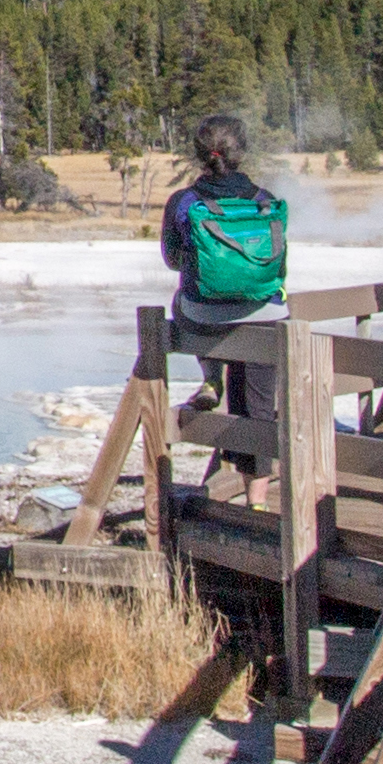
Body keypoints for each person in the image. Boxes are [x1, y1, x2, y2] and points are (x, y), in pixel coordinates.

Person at [157, 112, 292, 494]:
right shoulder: (265, 202)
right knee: (259, 408)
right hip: (265, 314)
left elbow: (172, 260)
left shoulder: (184, 201)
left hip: (204, 316)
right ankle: (259, 504)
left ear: (200, 155)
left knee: (185, 303)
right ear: (242, 153)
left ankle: (212, 375)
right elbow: (277, 264)